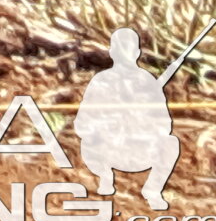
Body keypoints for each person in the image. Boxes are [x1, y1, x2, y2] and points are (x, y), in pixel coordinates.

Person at [76, 28, 179, 208]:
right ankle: (105, 178)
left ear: (137, 53)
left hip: (140, 150)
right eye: (121, 49)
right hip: (108, 151)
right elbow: (83, 124)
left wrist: (141, 125)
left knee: (171, 143)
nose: (125, 54)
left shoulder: (148, 82)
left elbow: (164, 125)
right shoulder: (101, 81)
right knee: (88, 141)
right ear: (112, 52)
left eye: (128, 49)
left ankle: (153, 190)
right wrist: (107, 127)